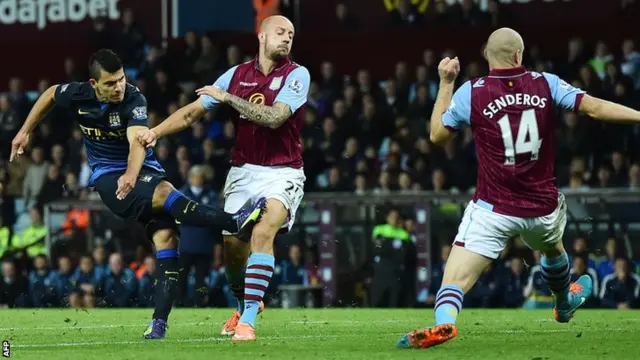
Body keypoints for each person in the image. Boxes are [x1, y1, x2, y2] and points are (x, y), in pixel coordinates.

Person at [397, 27, 640, 349]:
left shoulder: (473, 92)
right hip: (543, 208)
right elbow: (594, 107)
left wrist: (445, 82)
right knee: (553, 250)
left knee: (455, 280)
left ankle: (445, 324)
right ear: (519, 55)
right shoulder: (546, 84)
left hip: (492, 209)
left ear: (487, 57)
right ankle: (563, 302)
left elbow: (438, 135)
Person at [8, 49, 266, 339]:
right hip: (107, 177)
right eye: (110, 83)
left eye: (120, 79)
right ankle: (233, 222)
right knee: (165, 192)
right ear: (94, 84)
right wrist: (24, 131)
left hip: (140, 170)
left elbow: (137, 142)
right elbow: (51, 94)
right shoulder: (78, 94)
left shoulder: (134, 99)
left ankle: (158, 324)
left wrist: (131, 175)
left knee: (167, 240)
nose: (118, 87)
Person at [136, 15, 310, 342]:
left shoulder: (297, 75)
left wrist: (227, 98)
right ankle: (246, 303)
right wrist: (155, 132)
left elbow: (275, 118)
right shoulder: (236, 74)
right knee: (233, 251)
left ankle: (247, 322)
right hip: (243, 173)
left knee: (263, 230)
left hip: (283, 171)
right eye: (280, 32)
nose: (287, 38)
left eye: (291, 34)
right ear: (262, 36)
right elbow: (191, 113)